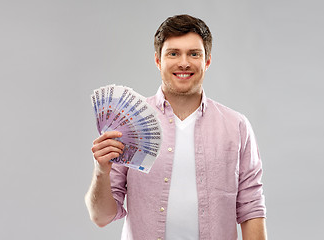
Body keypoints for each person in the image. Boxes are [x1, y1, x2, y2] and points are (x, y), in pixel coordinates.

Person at [85, 14, 267, 240]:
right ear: (158, 60)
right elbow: (101, 217)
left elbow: (251, 208)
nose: (184, 62)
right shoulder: (127, 126)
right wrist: (101, 171)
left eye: (194, 54)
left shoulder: (237, 126)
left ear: (207, 61)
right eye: (173, 53)